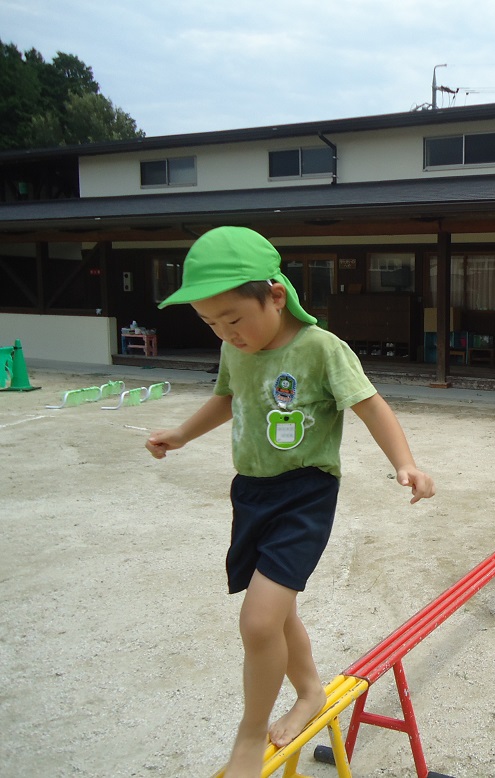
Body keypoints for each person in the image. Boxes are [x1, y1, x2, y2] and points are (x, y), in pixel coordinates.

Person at [144, 226, 435, 777]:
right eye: (211, 323)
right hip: (251, 492)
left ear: (275, 295)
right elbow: (226, 401)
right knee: (278, 616)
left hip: (305, 493)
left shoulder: (321, 349)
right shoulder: (237, 350)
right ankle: (308, 691)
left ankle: (249, 737)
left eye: (234, 318)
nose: (227, 333)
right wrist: (181, 435)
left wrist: (406, 462)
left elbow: (370, 406)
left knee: (257, 622)